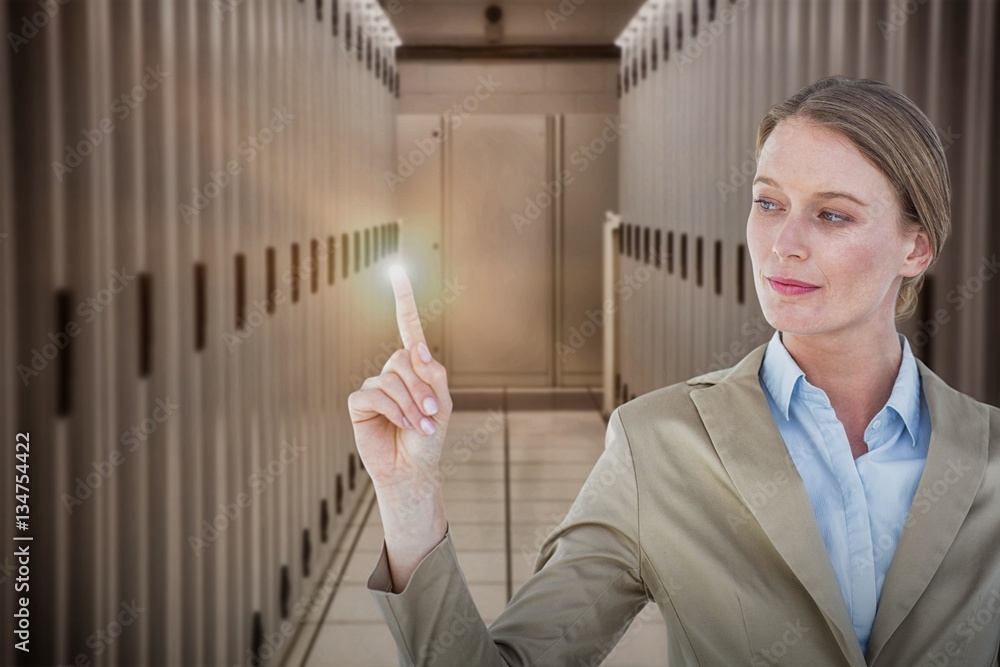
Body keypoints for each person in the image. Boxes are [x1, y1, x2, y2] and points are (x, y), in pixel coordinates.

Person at [347, 76, 1000, 666]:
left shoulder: (988, 456)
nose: (783, 243)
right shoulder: (656, 444)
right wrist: (410, 496)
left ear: (915, 246)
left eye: (831, 214)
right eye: (768, 203)